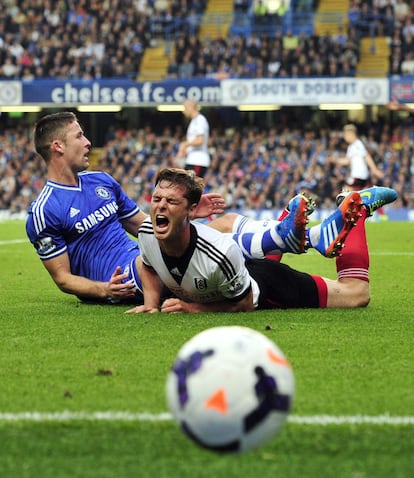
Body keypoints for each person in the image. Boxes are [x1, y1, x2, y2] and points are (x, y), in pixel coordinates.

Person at [25, 111, 331, 305]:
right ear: (58, 146)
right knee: (229, 247)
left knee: (225, 223)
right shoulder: (44, 211)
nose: (88, 141)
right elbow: (63, 278)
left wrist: (185, 215)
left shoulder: (101, 181)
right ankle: (302, 239)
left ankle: (298, 239)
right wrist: (104, 290)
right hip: (126, 279)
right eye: (79, 135)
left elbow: (144, 224)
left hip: (145, 259)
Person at [126, 168, 397, 314]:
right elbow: (145, 263)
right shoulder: (149, 233)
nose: (160, 206)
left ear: (189, 210)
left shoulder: (219, 253)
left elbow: (243, 304)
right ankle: (289, 233)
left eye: (171, 201)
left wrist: (194, 307)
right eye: (157, 199)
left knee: (356, 294)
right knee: (229, 221)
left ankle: (357, 208)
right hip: (228, 267)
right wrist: (151, 303)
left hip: (262, 285)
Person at [329, 123, 383, 191]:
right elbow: (348, 161)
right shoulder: (351, 147)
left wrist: (374, 169)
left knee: (346, 192)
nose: (344, 137)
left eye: (345, 135)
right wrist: (336, 160)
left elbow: (366, 156)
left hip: (359, 175)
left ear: (351, 134)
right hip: (358, 176)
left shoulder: (357, 144)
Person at [176, 99, 210, 177]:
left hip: (198, 160)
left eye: (185, 108)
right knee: (188, 187)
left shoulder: (200, 120)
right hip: (192, 159)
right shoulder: (194, 121)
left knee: (193, 187)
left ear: (191, 107)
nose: (183, 111)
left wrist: (185, 144)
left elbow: (200, 140)